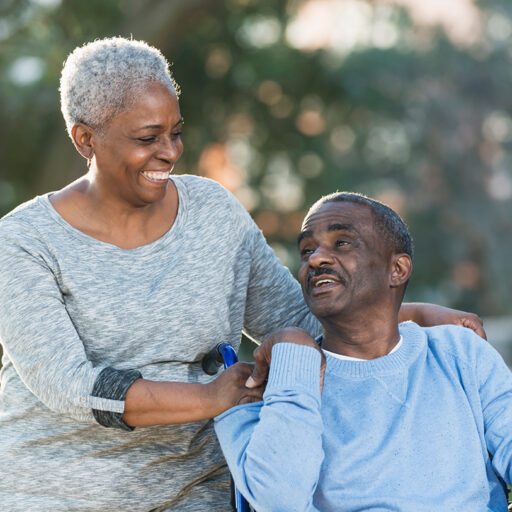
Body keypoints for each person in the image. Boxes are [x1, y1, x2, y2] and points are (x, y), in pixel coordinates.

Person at [0, 37, 484, 511]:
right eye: (148, 138)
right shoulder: (24, 241)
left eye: (176, 131)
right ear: (85, 139)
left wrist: (413, 313)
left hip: (199, 492)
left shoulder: (212, 211)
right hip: (57, 492)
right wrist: (211, 396)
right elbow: (69, 383)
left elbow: (296, 319)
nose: (170, 152)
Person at [215, 192, 512, 512]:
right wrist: (295, 348)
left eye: (342, 243)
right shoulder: (274, 387)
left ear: (397, 269)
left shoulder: (460, 353)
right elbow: (280, 502)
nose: (316, 259)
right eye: (307, 250)